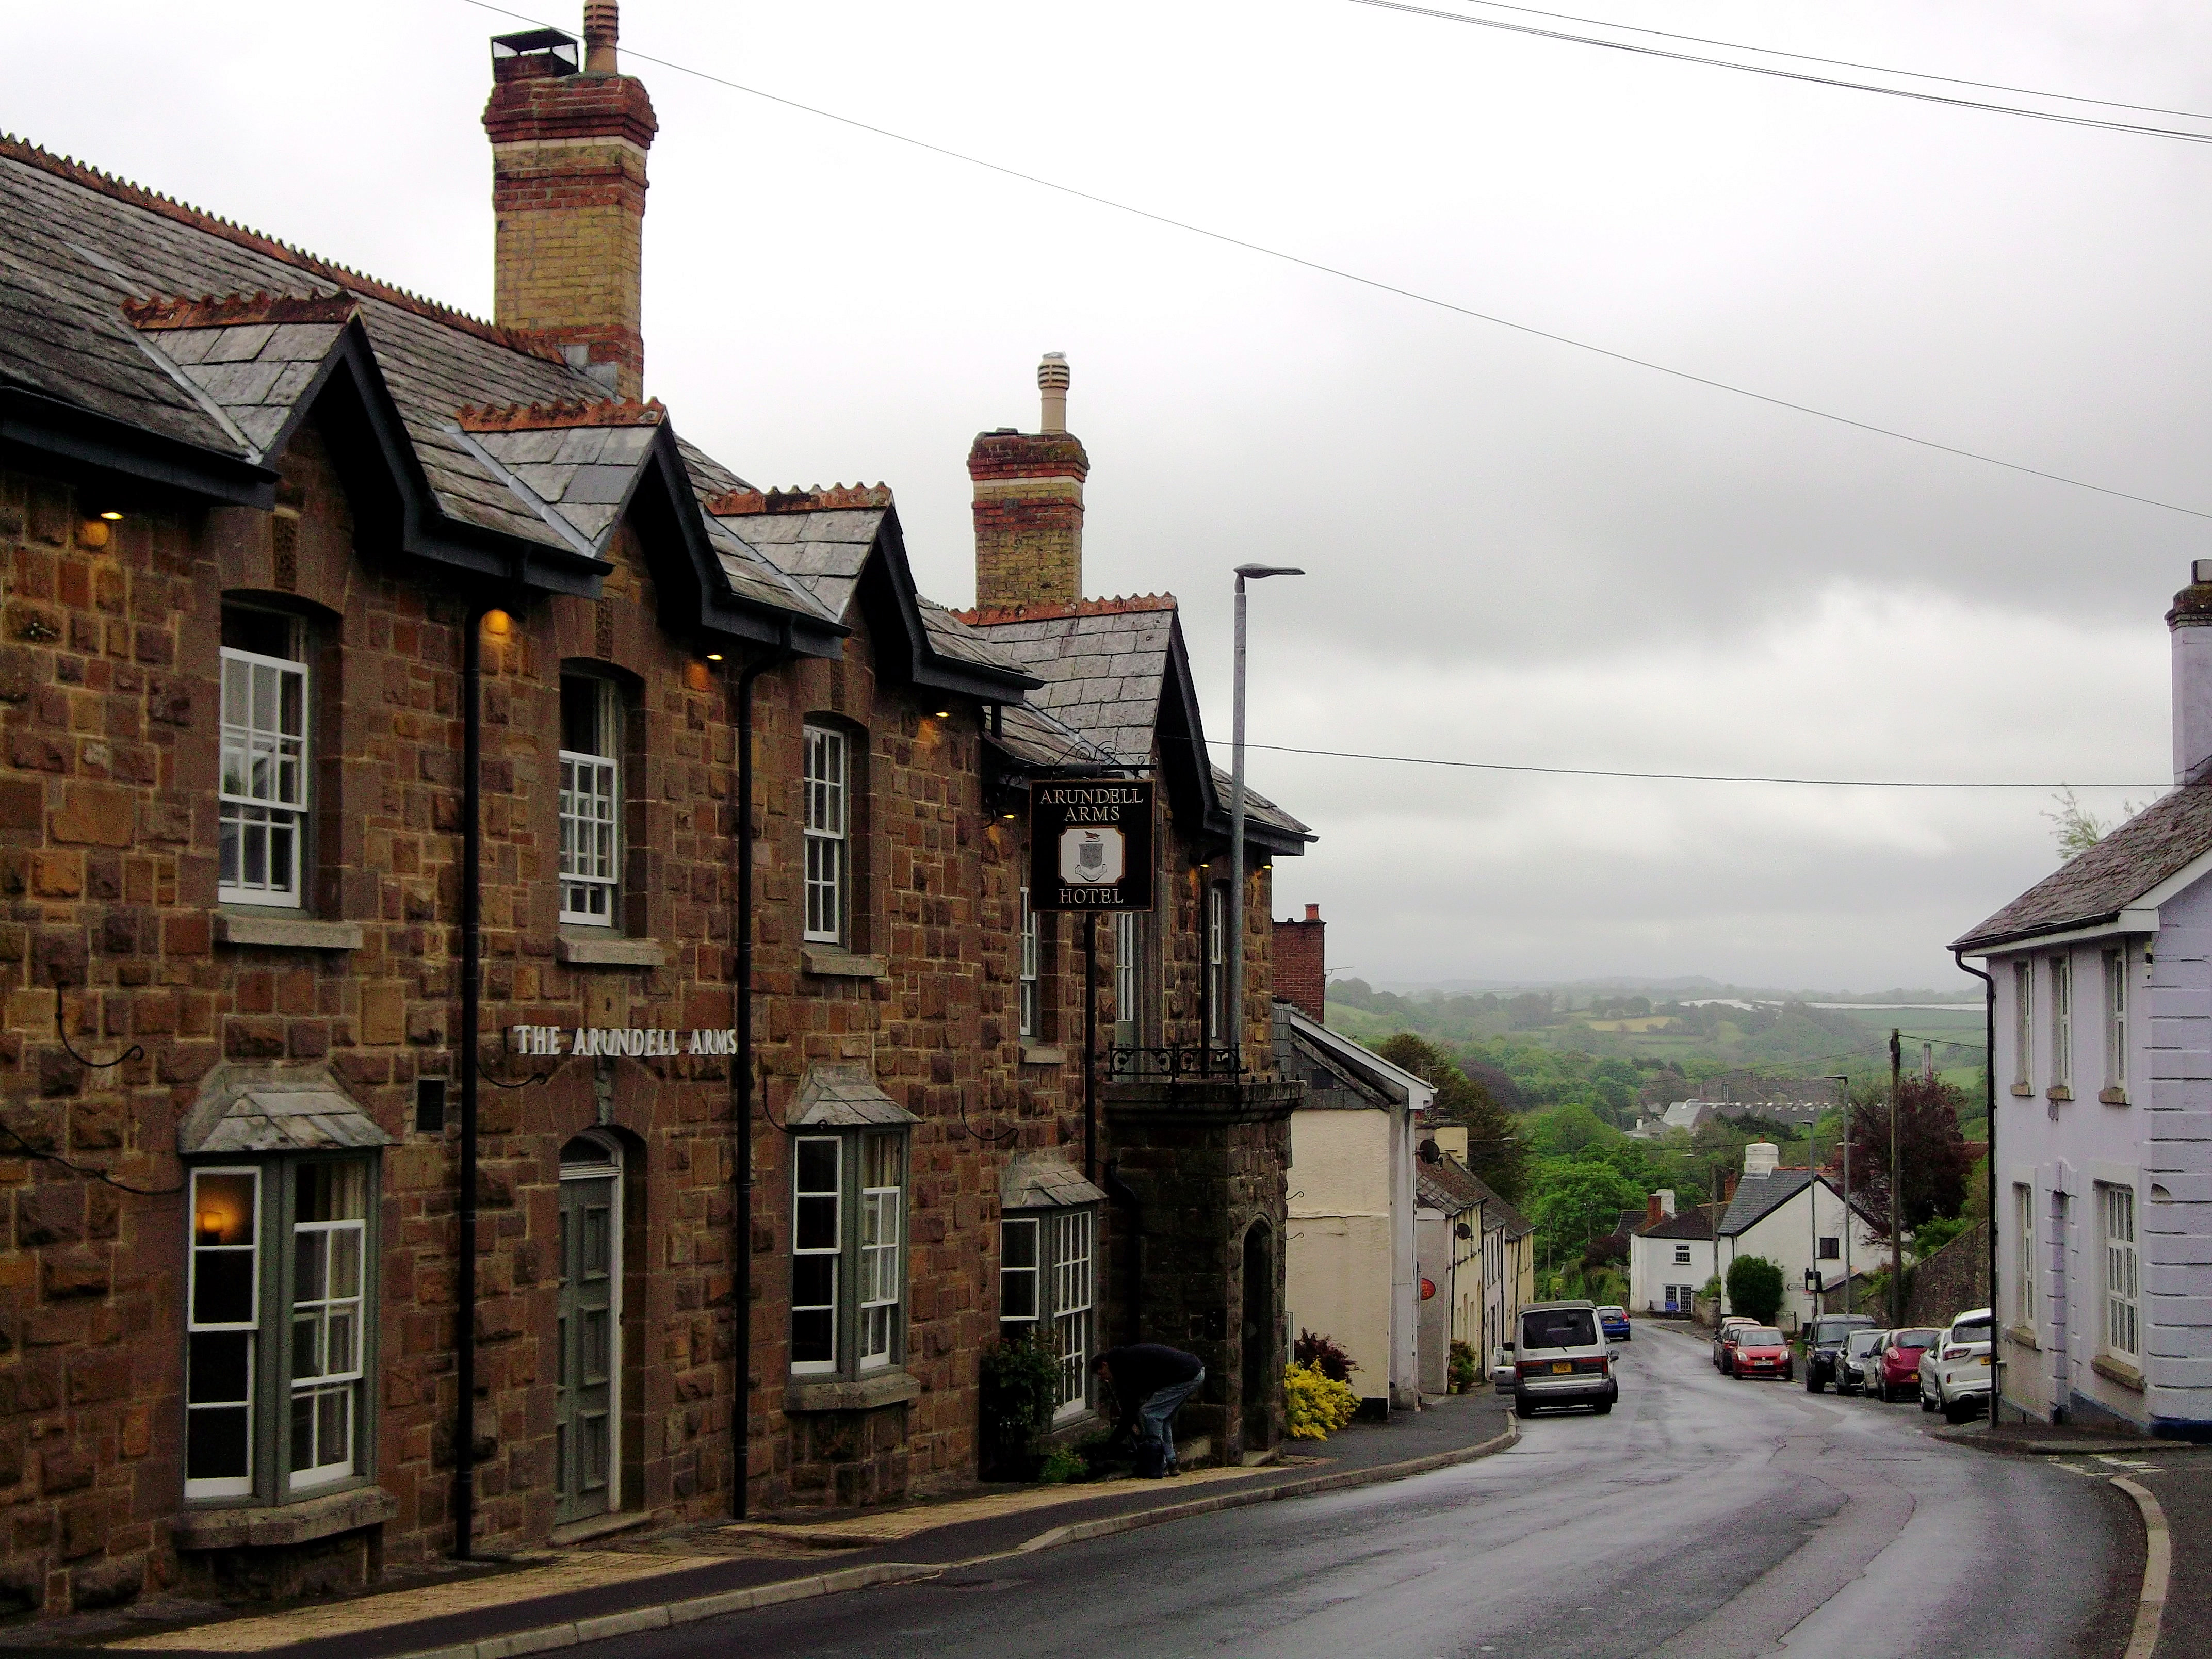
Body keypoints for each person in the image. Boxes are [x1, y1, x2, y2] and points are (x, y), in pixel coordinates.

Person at [1094, 1343, 1206, 1476]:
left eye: (1101, 1374)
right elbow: (1132, 1407)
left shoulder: (1125, 1367)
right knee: (1162, 1417)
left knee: (1150, 1414)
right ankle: (1171, 1462)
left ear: (1105, 1364)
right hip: (1194, 1371)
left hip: (1186, 1375)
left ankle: (1159, 1463)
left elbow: (1129, 1416)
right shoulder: (1125, 1361)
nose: (1103, 1379)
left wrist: (1108, 1446)